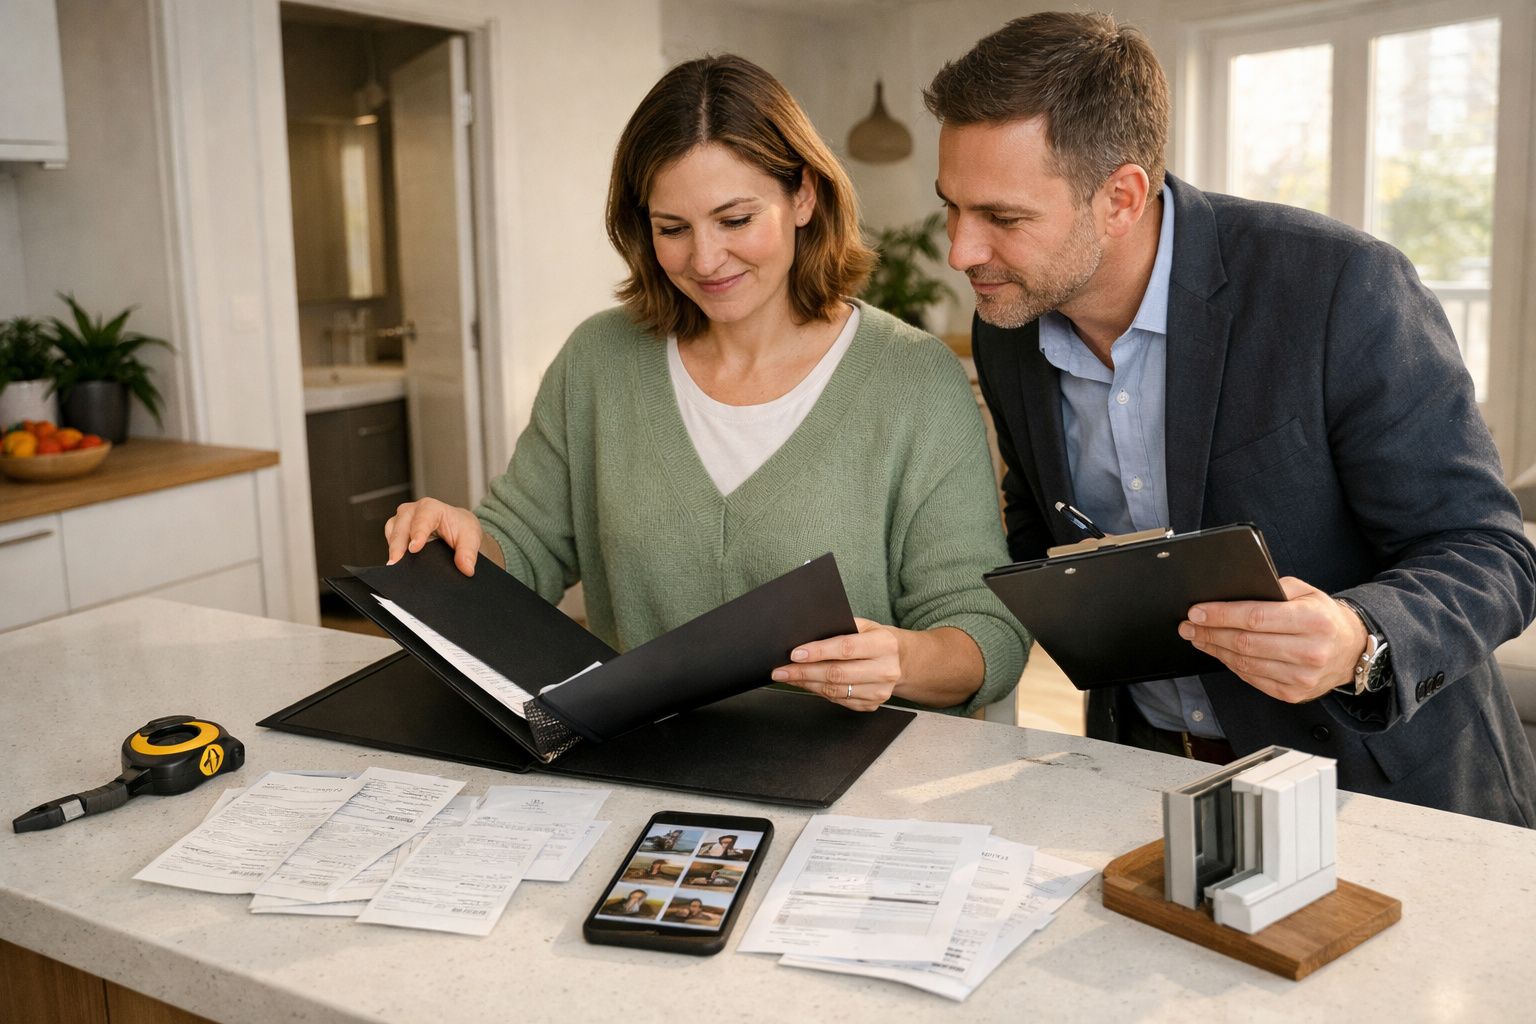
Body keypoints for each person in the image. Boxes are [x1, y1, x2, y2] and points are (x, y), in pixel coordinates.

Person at [926, 11, 1536, 824]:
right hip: (1147, 781)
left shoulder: (1339, 286)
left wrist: (1361, 638)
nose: (962, 252)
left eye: (1003, 219)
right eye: (952, 209)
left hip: (1381, 790)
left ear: (1121, 196)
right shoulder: (1010, 329)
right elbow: (1040, 526)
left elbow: (1491, 552)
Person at [385, 54, 1028, 715]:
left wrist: (902, 660)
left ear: (803, 195)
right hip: (642, 766)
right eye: (672, 229)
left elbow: (987, 635)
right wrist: (460, 539)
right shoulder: (599, 361)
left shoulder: (914, 379)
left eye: (735, 219)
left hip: (858, 789)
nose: (705, 259)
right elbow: (522, 545)